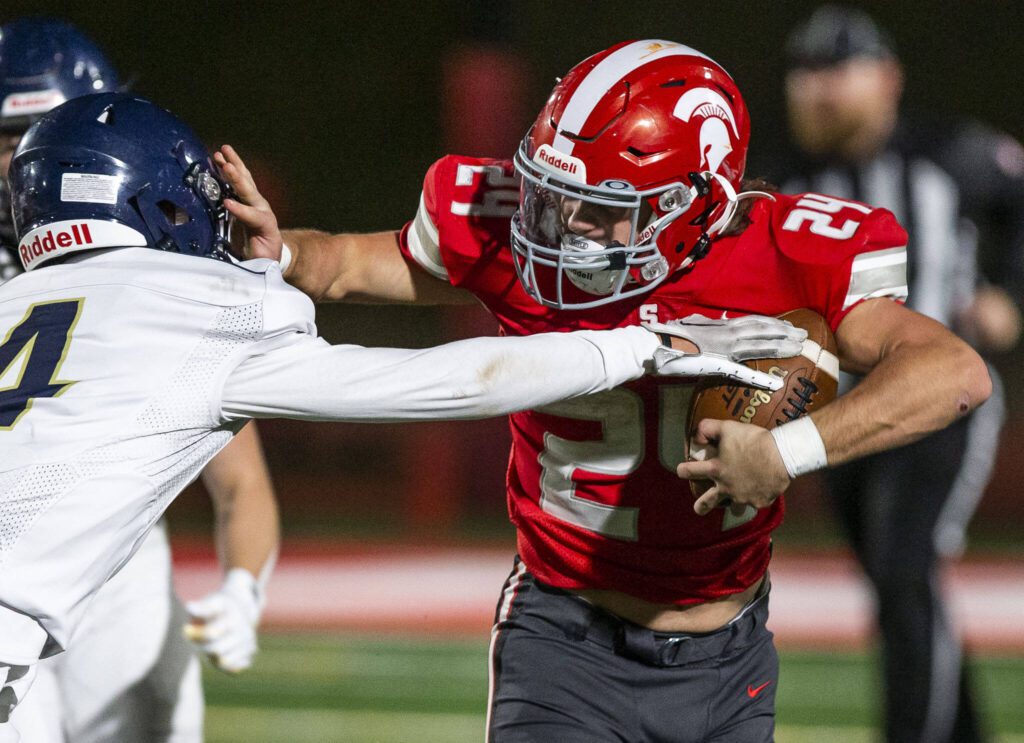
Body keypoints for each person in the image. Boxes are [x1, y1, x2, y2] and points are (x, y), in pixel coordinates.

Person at [0, 91, 804, 742]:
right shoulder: (195, 305)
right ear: (163, 204)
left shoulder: (14, 300)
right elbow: (449, 381)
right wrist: (633, 349)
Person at [268, 39, 992, 741]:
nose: (567, 227)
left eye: (603, 204)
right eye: (557, 195)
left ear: (698, 202)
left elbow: (953, 370)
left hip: (731, 656)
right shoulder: (515, 236)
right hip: (564, 640)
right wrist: (283, 249)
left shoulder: (784, 255)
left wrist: (787, 452)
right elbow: (341, 265)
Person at [0, 19, 280, 742]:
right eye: (9, 135)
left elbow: (241, 478)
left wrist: (243, 584)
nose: (25, 159)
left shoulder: (151, 271)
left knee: (151, 721)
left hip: (113, 557)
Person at [769, 7, 1024, 742]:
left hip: (942, 402)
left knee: (906, 573)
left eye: (833, 71)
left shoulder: (952, 153)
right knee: (898, 584)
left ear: (887, 78)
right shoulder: (790, 183)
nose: (816, 90)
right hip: (846, 412)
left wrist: (1009, 295)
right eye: (803, 74)